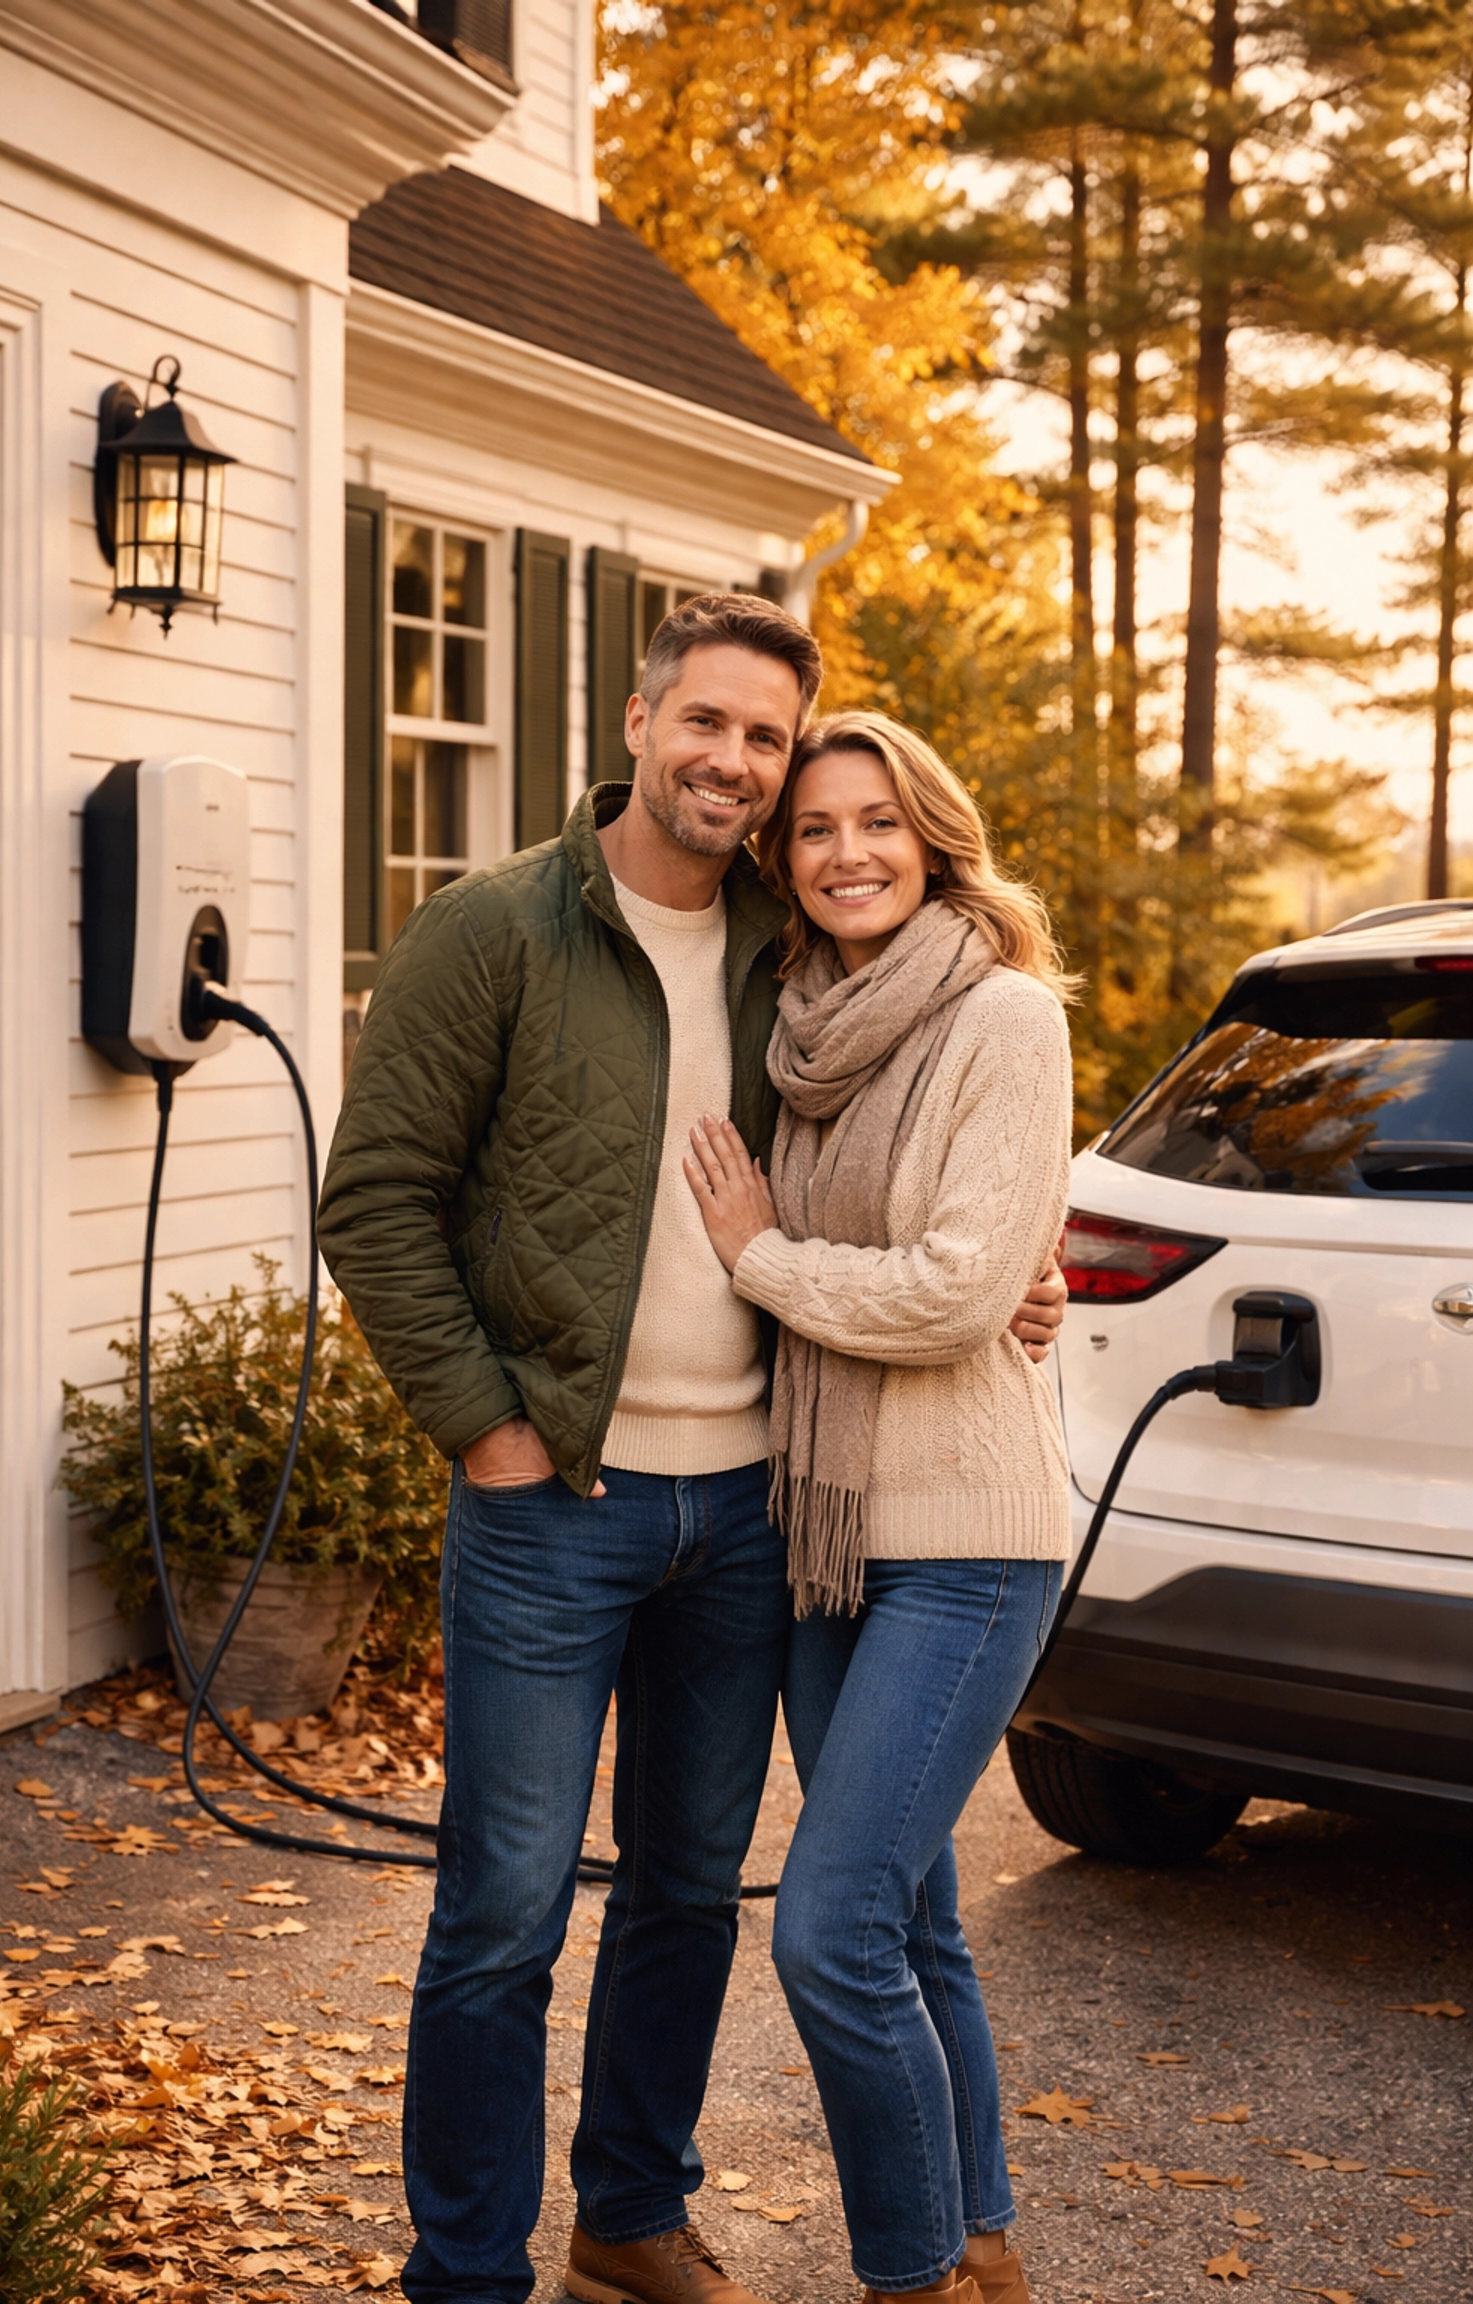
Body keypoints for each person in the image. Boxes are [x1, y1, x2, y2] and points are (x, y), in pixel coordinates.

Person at [316, 600, 1065, 2304]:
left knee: (685, 1899)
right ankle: (465, 2273)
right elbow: (375, 1201)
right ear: (643, 719)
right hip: (553, 1502)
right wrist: (486, 1432)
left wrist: (1027, 1282)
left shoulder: (786, 947)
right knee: (502, 1910)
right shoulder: (495, 927)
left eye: (768, 741)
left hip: (751, 1510)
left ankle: (628, 2218)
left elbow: (928, 1151)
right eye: (708, 724)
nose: (737, 763)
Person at [683, 709, 1075, 2304]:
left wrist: (761, 1256)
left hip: (968, 1547)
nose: (848, 853)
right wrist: (983, 1291)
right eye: (818, 828)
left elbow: (956, 1289)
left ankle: (905, 2275)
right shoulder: (798, 1024)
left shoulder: (1003, 1018)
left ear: (934, 836)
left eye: (878, 823)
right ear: (786, 858)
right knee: (914, 1931)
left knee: (828, 1934)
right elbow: (961, 1282)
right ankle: (979, 2246)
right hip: (825, 1532)